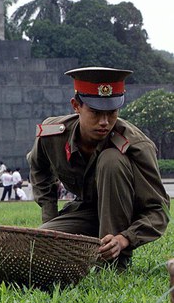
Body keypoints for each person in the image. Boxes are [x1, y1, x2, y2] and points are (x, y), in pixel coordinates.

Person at [28, 67, 170, 269]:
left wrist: (124, 239)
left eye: (111, 113)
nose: (104, 122)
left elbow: (159, 210)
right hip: (86, 211)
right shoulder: (53, 135)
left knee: (111, 159)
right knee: (39, 246)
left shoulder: (136, 146)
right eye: (95, 113)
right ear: (76, 106)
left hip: (125, 218)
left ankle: (113, 262)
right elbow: (38, 168)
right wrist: (50, 217)